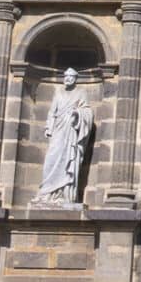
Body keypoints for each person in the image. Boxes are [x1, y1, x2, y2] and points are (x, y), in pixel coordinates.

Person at [33, 67, 95, 206]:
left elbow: (87, 111)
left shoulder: (81, 92)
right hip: (58, 130)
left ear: (75, 79)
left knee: (68, 159)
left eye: (71, 77)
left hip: (71, 131)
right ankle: (47, 193)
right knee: (51, 158)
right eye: (66, 76)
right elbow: (52, 112)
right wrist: (49, 127)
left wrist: (77, 114)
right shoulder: (58, 92)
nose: (68, 79)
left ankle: (64, 194)